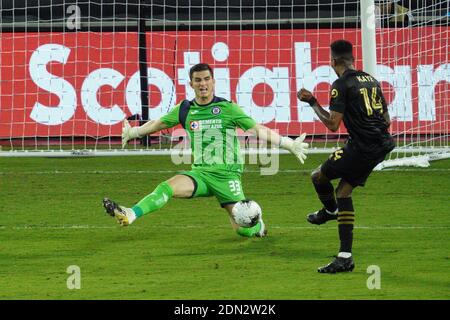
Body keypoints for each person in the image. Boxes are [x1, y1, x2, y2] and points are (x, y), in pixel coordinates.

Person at [103, 63, 309, 238]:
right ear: (191, 84)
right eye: (198, 80)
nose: (202, 83)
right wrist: (133, 132)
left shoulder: (228, 108)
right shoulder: (185, 109)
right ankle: (131, 213)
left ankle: (258, 225)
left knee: (243, 229)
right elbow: (158, 123)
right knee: (166, 187)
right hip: (200, 174)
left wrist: (288, 143)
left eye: (206, 79)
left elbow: (257, 129)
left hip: (227, 176)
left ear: (213, 82)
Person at [298, 40, 395, 273]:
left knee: (318, 177)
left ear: (333, 62)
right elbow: (386, 120)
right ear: (353, 59)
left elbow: (332, 124)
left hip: (362, 147)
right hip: (382, 144)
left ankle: (330, 212)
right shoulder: (371, 80)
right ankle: (345, 257)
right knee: (343, 192)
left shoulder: (340, 84)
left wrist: (312, 101)